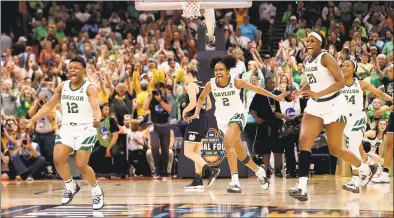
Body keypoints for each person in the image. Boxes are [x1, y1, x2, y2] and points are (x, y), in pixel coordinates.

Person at [288, 32, 377, 202]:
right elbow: (313, 81)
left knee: (335, 149)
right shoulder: (308, 60)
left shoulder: (326, 57)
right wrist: (301, 91)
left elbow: (340, 83)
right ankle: (302, 187)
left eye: (313, 41)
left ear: (321, 43)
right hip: (315, 106)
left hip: (335, 106)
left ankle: (365, 167)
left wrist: (318, 93)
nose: (309, 43)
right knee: (304, 141)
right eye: (307, 41)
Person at [189, 55, 287, 193]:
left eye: (221, 69)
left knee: (227, 143)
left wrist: (275, 97)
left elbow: (257, 89)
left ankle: (235, 181)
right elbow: (201, 98)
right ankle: (258, 171)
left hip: (237, 114)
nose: (218, 72)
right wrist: (196, 113)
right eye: (216, 70)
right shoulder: (210, 84)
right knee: (241, 154)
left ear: (228, 70)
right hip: (222, 119)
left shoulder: (236, 82)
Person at [20, 56, 104, 210]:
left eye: (76, 67)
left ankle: (96, 189)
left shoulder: (90, 87)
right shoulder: (62, 86)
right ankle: (71, 185)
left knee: (81, 164)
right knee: (57, 159)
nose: (72, 70)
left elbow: (95, 107)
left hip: (86, 128)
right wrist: (31, 120)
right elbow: (48, 107)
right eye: (70, 67)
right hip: (67, 127)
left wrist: (97, 119)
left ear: (84, 70)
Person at [340, 60, 390, 193]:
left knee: (352, 148)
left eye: (347, 65)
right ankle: (370, 167)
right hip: (345, 120)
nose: (344, 67)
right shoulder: (338, 85)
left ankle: (355, 181)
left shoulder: (361, 84)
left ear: (354, 69)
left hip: (358, 117)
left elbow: (378, 94)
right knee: (359, 150)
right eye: (343, 65)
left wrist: (391, 99)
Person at [181, 61, 220, 189]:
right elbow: (209, 106)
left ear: (188, 74)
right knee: (196, 151)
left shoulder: (191, 85)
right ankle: (197, 179)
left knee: (187, 152)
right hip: (204, 121)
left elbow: (192, 103)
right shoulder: (202, 86)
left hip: (195, 121)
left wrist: (184, 111)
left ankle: (211, 169)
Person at [372, 64, 393, 183]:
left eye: (391, 71)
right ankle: (385, 174)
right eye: (388, 71)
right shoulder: (388, 83)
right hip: (393, 115)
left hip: (389, 112)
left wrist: (383, 110)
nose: (388, 73)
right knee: (389, 144)